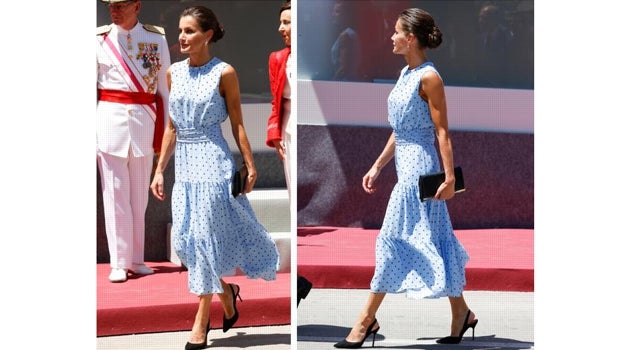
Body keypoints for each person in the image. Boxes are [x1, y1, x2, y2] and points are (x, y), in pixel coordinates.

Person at [334, 8, 477, 348]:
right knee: (436, 239)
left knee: (392, 238)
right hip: (404, 165)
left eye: (397, 32)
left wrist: (449, 180)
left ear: (411, 38)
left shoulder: (430, 77)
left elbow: (442, 132)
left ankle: (365, 319)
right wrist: (377, 165)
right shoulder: (405, 73)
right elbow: (400, 130)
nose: (392, 37)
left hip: (421, 171)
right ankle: (462, 313)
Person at [149, 6, 280, 350]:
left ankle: (200, 323)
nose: (182, 37)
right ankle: (227, 292)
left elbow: (237, 121)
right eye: (180, 30)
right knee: (185, 241)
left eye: (190, 31)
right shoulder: (173, 73)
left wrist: (250, 165)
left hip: (213, 160)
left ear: (207, 34)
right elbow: (172, 127)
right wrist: (160, 169)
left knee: (204, 238)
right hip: (185, 165)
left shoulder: (225, 72)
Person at [96, 0, 171, 283]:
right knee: (114, 197)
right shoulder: (99, 39)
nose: (114, 11)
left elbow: (164, 90)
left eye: (121, 5)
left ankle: (137, 259)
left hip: (144, 123)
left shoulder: (155, 38)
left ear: (137, 5)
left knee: (139, 197)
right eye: (111, 6)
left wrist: (166, 134)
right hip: (108, 124)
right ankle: (119, 261)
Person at [264, 0, 314, 308]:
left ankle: (299, 276)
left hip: (311, 129)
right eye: (281, 22)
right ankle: (298, 277)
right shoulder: (277, 58)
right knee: (293, 195)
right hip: (289, 130)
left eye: (287, 22)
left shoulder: (312, 57)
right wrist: (276, 133)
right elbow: (275, 101)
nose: (281, 28)